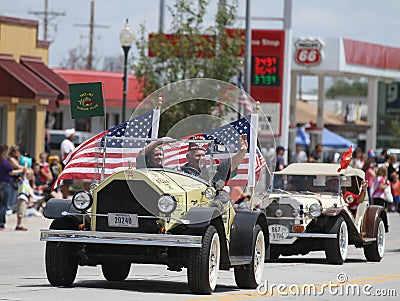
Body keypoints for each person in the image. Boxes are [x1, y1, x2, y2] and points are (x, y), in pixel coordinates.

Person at [180, 135, 248, 185]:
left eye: (203, 155)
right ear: (188, 157)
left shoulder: (211, 171)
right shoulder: (179, 173)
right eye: (197, 155)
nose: (201, 158)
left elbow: (229, 165)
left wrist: (242, 151)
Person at [0, 144, 24, 231]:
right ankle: (1, 224)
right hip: (5, 184)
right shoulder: (5, 162)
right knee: (3, 205)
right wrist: (21, 170)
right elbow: (11, 172)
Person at [60, 128, 75, 198]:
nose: (73, 136)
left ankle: (66, 196)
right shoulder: (66, 143)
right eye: (72, 135)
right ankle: (64, 197)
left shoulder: (69, 143)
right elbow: (66, 155)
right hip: (67, 165)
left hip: (70, 165)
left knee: (68, 183)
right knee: (66, 183)